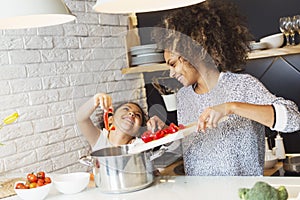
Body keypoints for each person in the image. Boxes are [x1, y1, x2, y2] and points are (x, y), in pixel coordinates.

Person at [149, 0, 300, 176]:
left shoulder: (242, 85)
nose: (171, 73)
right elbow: (189, 147)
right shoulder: (183, 96)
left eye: (173, 64)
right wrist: (164, 136)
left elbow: (294, 119)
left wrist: (230, 107)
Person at [76, 93, 147, 151]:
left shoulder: (140, 145)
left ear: (138, 131)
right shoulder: (100, 140)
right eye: (126, 109)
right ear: (110, 119)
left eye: (138, 115)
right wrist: (95, 100)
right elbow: (81, 118)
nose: (132, 114)